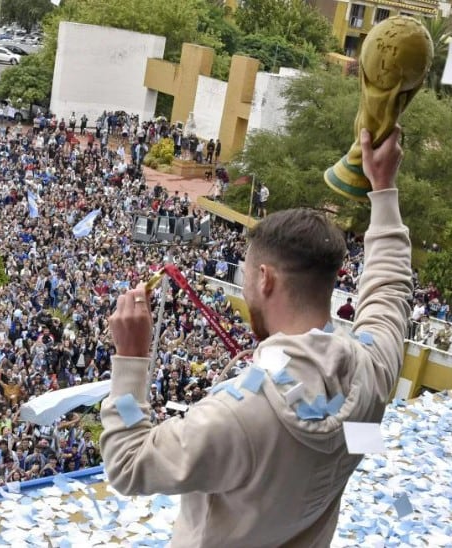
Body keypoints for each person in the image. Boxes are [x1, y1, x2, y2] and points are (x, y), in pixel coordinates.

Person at [100, 126, 411, 547]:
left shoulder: (234, 416)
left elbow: (128, 463)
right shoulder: (372, 369)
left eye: (246, 275)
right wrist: (384, 190)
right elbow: (389, 292)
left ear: (264, 279)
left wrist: (132, 360)